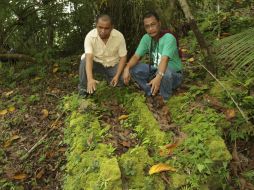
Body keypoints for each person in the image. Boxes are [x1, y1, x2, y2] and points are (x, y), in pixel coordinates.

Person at [123, 11, 183, 101]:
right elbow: (136, 56)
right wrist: (127, 68)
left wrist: (158, 77)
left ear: (159, 23)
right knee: (133, 68)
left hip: (173, 75)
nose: (150, 29)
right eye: (147, 26)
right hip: (156, 70)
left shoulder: (168, 38)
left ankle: (165, 98)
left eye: (153, 24)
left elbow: (164, 60)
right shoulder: (146, 38)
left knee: (164, 73)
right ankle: (150, 91)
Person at [79, 14, 127, 96]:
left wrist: (117, 75)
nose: (103, 31)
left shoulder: (119, 36)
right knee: (84, 61)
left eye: (106, 28)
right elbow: (89, 57)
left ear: (112, 27)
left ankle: (111, 80)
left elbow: (123, 57)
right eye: (100, 27)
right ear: (96, 25)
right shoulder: (90, 36)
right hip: (97, 64)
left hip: (113, 65)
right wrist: (90, 79)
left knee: (123, 79)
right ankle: (83, 91)